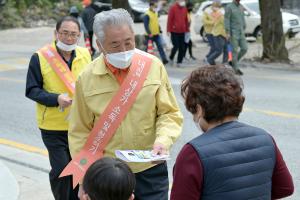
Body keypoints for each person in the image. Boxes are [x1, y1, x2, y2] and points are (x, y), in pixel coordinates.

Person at [68, 9, 183, 200]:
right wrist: (84, 179)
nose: (123, 51)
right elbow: (79, 131)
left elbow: (169, 113)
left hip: (150, 167)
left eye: (128, 42)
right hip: (109, 175)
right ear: (100, 45)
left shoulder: (153, 66)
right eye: (115, 44)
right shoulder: (87, 78)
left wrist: (163, 140)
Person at [170, 65, 294, 200]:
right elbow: (285, 188)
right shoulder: (265, 139)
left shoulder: (192, 153)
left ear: (199, 110)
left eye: (193, 111)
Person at [25, 16, 91, 200]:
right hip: (53, 127)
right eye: (65, 34)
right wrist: (55, 99)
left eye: (73, 35)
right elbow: (31, 90)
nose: (69, 38)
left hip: (80, 125)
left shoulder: (85, 55)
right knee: (62, 169)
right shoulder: (40, 57)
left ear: (79, 36)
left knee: (79, 167)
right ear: (56, 33)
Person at [224, 0, 248, 75]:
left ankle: (233, 62)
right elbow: (226, 19)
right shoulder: (229, 7)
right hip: (233, 32)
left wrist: (244, 26)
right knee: (234, 51)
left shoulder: (241, 7)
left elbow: (242, 17)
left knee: (244, 48)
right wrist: (227, 32)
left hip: (241, 32)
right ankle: (236, 69)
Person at [143, 0, 169, 64]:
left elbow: (156, 22)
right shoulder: (147, 14)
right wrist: (149, 33)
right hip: (149, 35)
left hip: (157, 34)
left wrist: (159, 29)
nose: (155, 8)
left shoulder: (156, 13)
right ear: (151, 6)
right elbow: (146, 25)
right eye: (154, 6)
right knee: (148, 49)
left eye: (156, 6)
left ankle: (164, 59)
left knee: (160, 46)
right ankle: (144, 60)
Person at [167, 0, 188, 67]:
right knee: (176, 46)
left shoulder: (185, 8)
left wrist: (187, 29)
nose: (183, 1)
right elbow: (169, 19)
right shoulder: (173, 8)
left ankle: (179, 62)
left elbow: (186, 20)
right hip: (174, 31)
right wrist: (168, 30)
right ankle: (171, 58)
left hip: (182, 31)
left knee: (182, 47)